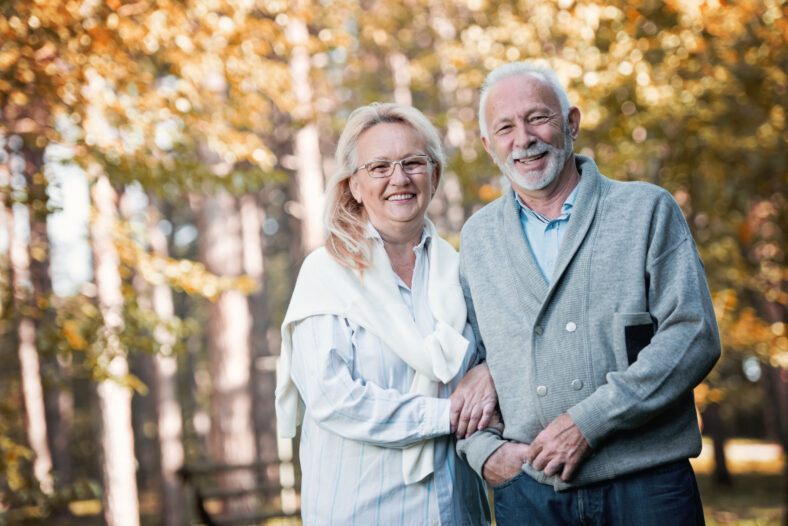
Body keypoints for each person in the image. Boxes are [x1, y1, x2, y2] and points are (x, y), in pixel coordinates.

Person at [456, 61, 721, 525]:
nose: (523, 138)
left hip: (647, 485)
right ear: (488, 145)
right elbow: (463, 359)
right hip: (530, 492)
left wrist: (589, 422)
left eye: (538, 117)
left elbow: (693, 335)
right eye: (505, 127)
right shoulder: (477, 239)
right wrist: (483, 453)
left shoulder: (645, 210)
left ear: (571, 123)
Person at [275, 102, 495, 525]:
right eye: (379, 167)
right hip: (365, 510)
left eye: (413, 162)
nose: (400, 178)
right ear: (354, 186)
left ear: (433, 174)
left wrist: (488, 374)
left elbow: (493, 360)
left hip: (458, 510)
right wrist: (446, 414)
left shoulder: (460, 270)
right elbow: (334, 399)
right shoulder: (326, 273)